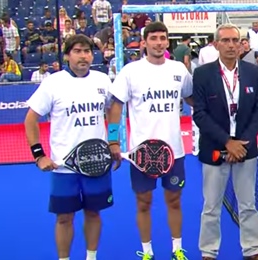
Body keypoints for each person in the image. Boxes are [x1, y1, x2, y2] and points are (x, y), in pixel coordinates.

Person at [24, 34, 115, 260]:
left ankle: (91, 257)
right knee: (64, 218)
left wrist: (113, 140)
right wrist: (39, 156)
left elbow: (113, 111)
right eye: (77, 51)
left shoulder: (102, 80)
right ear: (67, 55)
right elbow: (30, 120)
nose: (83, 56)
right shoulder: (53, 83)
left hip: (96, 163)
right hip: (64, 167)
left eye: (87, 51)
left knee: (93, 213)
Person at [107, 21, 193, 260]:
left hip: (174, 152)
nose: (158, 42)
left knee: (174, 200)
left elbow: (193, 98)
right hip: (142, 154)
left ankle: (177, 250)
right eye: (153, 38)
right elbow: (115, 107)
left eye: (162, 38)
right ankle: (147, 252)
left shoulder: (179, 70)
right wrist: (113, 141)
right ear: (144, 43)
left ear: (167, 42)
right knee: (143, 202)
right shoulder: (130, 71)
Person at [194, 23, 258, 260]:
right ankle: (208, 252)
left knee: (248, 204)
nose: (231, 45)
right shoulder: (202, 74)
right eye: (225, 41)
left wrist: (241, 143)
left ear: (241, 44)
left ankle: (252, 250)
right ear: (216, 45)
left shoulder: (254, 72)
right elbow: (200, 114)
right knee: (211, 207)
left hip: (245, 150)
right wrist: (227, 142)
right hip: (215, 149)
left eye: (236, 40)